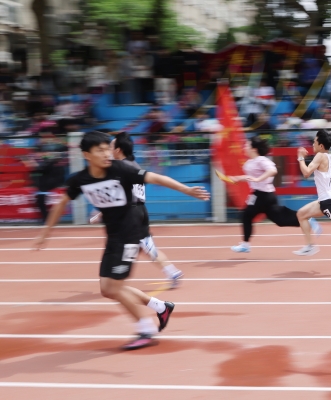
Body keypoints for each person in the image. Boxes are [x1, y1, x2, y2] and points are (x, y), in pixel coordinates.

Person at [33, 131, 210, 350]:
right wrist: (46, 232)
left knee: (115, 287)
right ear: (87, 155)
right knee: (108, 289)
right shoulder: (80, 179)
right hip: (113, 236)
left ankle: (146, 329)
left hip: (130, 233)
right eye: (100, 150)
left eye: (108, 149)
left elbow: (155, 177)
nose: (106, 153)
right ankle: (160, 307)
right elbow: (61, 203)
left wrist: (187, 189)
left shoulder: (121, 169)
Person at [90, 131, 184, 288]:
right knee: (144, 247)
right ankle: (171, 272)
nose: (108, 151)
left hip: (131, 214)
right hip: (138, 211)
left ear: (118, 150)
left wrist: (100, 212)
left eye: (111, 147)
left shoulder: (122, 169)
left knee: (135, 247)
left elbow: (119, 195)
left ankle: (118, 280)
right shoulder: (134, 165)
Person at [230, 136, 321, 253]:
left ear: (254, 148)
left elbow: (273, 171)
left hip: (263, 195)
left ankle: (245, 245)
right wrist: (237, 178)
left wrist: (258, 179)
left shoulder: (261, 160)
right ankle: (306, 219)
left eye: (247, 145)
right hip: (262, 195)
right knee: (280, 220)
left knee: (246, 215)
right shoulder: (249, 162)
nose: (244, 147)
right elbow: (250, 177)